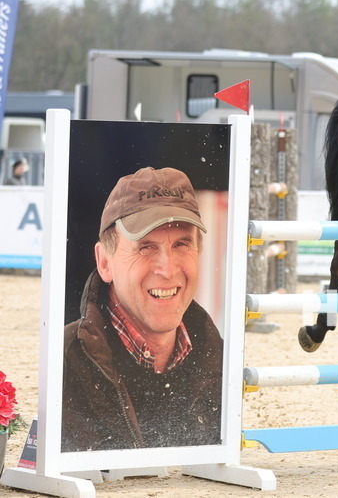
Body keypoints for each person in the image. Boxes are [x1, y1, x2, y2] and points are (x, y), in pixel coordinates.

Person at [62, 166, 223, 451]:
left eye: (182, 244)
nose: (168, 269)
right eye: (146, 247)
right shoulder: (62, 361)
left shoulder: (223, 361)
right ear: (104, 262)